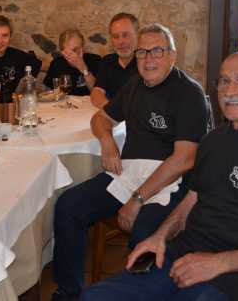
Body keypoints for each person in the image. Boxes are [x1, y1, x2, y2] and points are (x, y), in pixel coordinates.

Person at [81, 52, 238, 301]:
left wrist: (219, 263)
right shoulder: (213, 141)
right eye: (224, 81)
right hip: (181, 257)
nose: (230, 90)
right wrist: (159, 237)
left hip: (237, 279)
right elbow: (191, 200)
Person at [51, 23, 209, 301]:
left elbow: (184, 158)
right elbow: (100, 118)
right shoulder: (135, 85)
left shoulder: (188, 93)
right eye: (142, 52)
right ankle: (69, 292)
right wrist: (107, 142)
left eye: (157, 51)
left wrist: (137, 199)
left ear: (172, 56)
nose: (148, 59)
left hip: (170, 180)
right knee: (68, 205)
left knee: (145, 232)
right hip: (129, 173)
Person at [90, 13, 140, 108]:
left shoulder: (146, 62)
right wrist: (112, 109)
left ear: (138, 35)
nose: (120, 42)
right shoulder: (107, 61)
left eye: (125, 35)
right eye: (115, 36)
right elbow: (96, 93)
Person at [43, 29, 101, 96]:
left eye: (75, 49)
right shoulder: (56, 64)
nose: (74, 55)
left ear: (82, 47)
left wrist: (84, 69)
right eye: (68, 52)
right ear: (62, 52)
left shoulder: (95, 60)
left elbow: (98, 93)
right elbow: (49, 93)